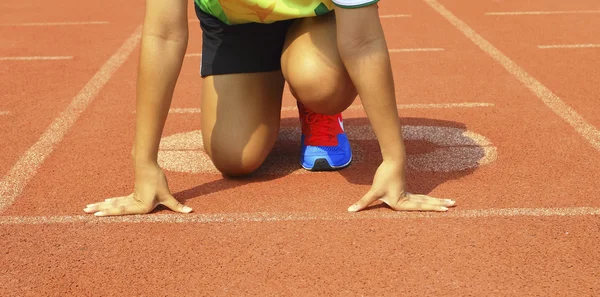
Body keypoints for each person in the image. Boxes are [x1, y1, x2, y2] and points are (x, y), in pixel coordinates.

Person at [83, 0, 456, 216]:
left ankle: (317, 104)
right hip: (238, 24)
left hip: (316, 17)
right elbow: (163, 34)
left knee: (319, 84)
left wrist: (394, 160)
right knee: (234, 158)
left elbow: (362, 40)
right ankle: (270, 73)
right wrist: (145, 164)